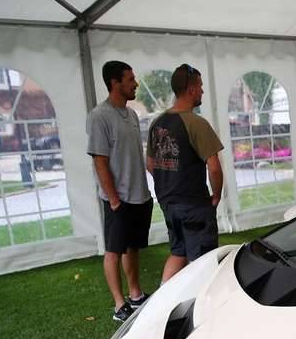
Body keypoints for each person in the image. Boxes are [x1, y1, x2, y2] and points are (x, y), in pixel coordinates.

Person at [86, 60, 154, 322]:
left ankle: (135, 295)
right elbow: (99, 161)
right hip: (118, 199)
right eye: (130, 79)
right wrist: (113, 199)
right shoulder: (99, 116)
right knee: (114, 251)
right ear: (115, 83)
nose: (135, 83)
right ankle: (118, 305)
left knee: (133, 248)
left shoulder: (133, 114)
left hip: (139, 195)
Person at [147, 63, 224, 283]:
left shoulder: (157, 123)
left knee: (178, 252)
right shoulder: (197, 123)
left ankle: (161, 302)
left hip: (168, 203)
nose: (202, 91)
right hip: (194, 205)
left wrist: (170, 183)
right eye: (199, 86)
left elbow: (150, 164)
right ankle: (203, 307)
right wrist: (216, 196)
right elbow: (214, 167)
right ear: (190, 90)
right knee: (204, 262)